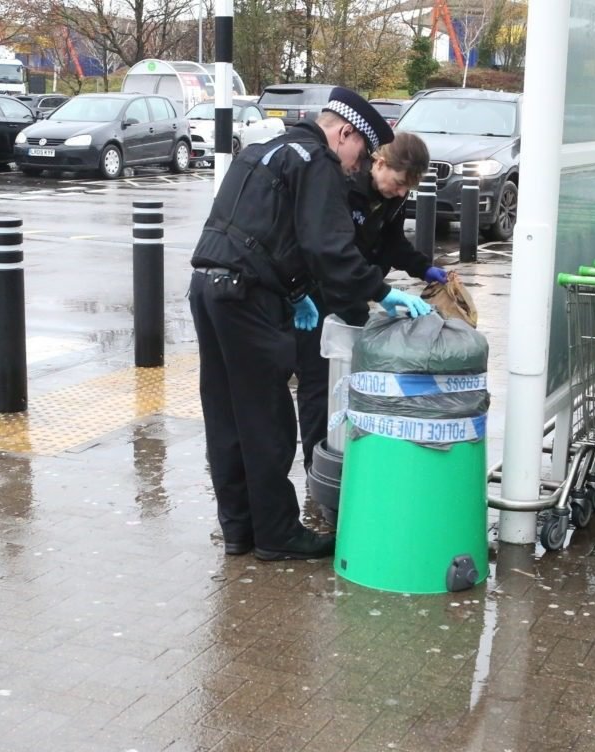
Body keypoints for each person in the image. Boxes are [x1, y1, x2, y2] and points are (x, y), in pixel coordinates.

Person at [189, 87, 431, 561]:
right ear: (344, 133)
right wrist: (381, 291)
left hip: (208, 289)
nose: (359, 164)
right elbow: (329, 247)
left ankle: (239, 529)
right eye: (361, 150)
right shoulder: (316, 160)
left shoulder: (264, 150)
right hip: (248, 301)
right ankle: (278, 536)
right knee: (267, 422)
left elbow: (264, 232)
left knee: (227, 420)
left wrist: (298, 292)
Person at [295, 131, 446, 472]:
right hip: (318, 299)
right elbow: (334, 252)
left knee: (355, 380)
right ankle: (319, 469)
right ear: (379, 162)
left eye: (409, 188)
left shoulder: (392, 198)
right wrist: (382, 291)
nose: (402, 192)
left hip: (356, 295)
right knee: (320, 385)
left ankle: (352, 458)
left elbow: (392, 244)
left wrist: (424, 267)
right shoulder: (344, 186)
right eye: (399, 182)